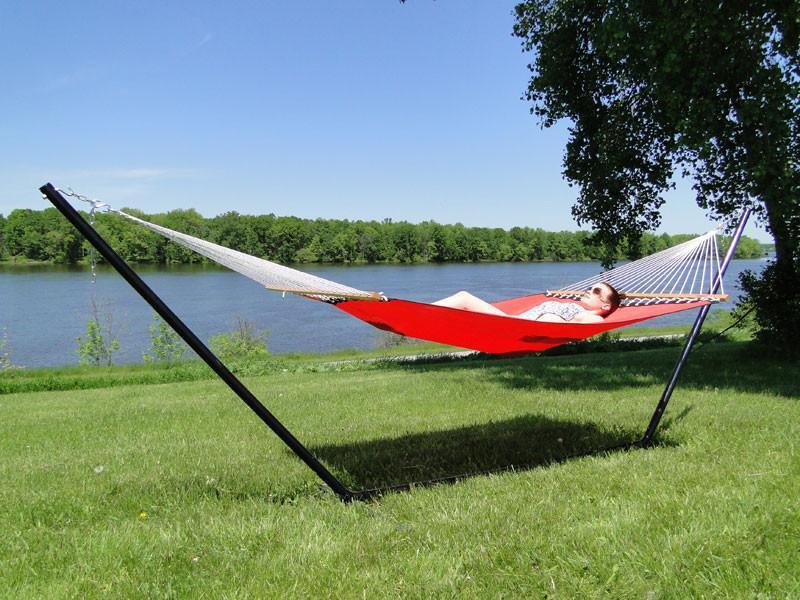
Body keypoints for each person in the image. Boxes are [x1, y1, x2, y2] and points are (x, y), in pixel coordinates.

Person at [432, 282, 621, 324]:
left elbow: (591, 323)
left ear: (605, 306)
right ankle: (413, 316)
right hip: (512, 321)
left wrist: (552, 316)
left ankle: (412, 317)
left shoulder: (589, 317)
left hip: (514, 326)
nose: (588, 291)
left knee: (464, 298)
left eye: (596, 291)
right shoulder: (577, 308)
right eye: (590, 288)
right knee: (463, 298)